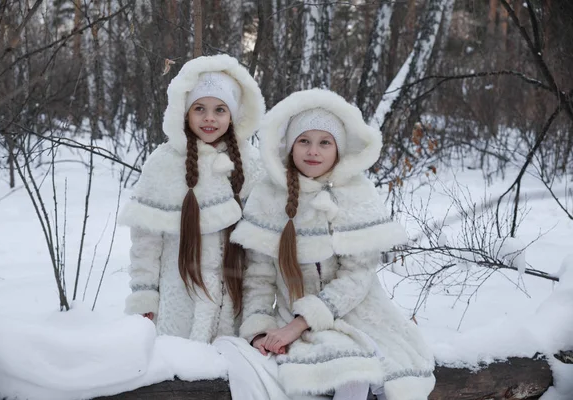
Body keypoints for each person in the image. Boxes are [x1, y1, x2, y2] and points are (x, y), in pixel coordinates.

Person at [231, 89, 436, 399]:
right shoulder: (268, 195)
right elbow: (258, 277)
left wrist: (302, 323)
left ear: (338, 149)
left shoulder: (355, 193)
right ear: (290, 145)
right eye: (304, 141)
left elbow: (357, 277)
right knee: (308, 381)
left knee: (357, 373)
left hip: (355, 315)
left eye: (324, 142)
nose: (313, 151)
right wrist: (260, 328)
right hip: (291, 319)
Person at [119, 54, 265, 343]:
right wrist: (145, 296)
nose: (209, 118)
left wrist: (257, 309)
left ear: (233, 115)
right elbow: (146, 243)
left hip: (230, 299)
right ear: (185, 112)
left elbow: (259, 247)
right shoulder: (164, 162)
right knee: (178, 371)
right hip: (177, 297)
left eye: (219, 109)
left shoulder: (250, 163)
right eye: (200, 108)